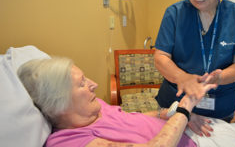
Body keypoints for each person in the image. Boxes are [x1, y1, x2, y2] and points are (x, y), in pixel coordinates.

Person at [17, 57, 218, 147]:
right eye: (82, 84)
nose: (94, 84)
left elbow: (128, 118)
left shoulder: (94, 108)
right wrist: (185, 108)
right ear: (58, 102)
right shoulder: (68, 141)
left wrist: (168, 114)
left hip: (194, 134)